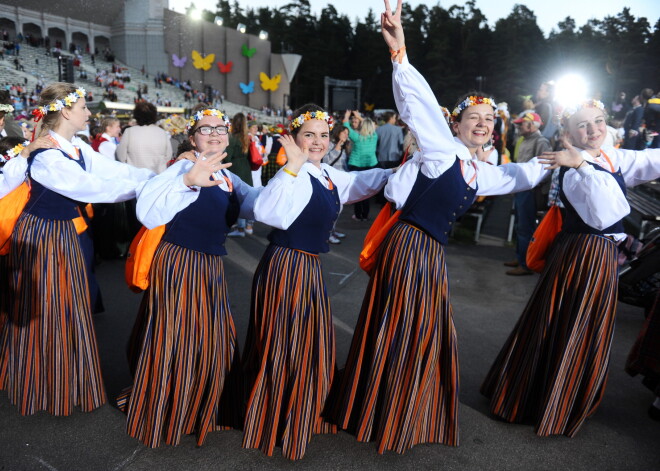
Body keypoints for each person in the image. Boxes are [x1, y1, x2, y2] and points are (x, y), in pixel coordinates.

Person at [329, 0, 552, 454]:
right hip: (410, 247)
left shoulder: (476, 171)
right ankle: (384, 411)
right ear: (456, 124)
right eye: (475, 119)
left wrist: (561, 158)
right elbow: (419, 102)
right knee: (405, 326)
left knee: (422, 329)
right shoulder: (441, 150)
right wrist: (401, 53)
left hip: (428, 254)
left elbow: (519, 177)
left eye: (490, 121)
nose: (484, 126)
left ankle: (402, 408)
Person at [481, 99, 660, 437]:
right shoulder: (573, 168)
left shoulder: (609, 157)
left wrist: (587, 162)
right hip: (583, 255)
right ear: (567, 132)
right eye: (583, 125)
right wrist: (580, 165)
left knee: (578, 324)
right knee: (568, 323)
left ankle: (562, 394)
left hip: (598, 255)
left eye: (598, 122)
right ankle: (547, 400)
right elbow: (610, 213)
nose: (593, 130)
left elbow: (651, 160)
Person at [241, 104, 393, 460]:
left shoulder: (326, 173)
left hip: (308, 268)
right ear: (294, 138)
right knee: (284, 345)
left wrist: (401, 170)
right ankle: (274, 417)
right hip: (285, 267)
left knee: (307, 344)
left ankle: (297, 409)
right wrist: (292, 165)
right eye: (309, 134)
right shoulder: (291, 172)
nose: (318, 142)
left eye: (323, 135)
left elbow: (358, 183)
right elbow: (266, 213)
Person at [0, 83, 154, 417]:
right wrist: (152, 186)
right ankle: (40, 384)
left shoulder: (76, 146)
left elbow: (113, 171)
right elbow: (93, 187)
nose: (88, 113)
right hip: (42, 236)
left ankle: (63, 381)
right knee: (45, 307)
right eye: (84, 107)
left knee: (66, 304)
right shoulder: (48, 156)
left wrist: (159, 177)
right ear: (67, 111)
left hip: (63, 234)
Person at [117, 107, 259, 447]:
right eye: (205, 129)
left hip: (209, 265)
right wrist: (185, 180)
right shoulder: (182, 166)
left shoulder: (229, 177)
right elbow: (147, 210)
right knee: (175, 337)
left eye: (220, 129)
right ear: (192, 137)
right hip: (179, 262)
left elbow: (261, 204)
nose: (214, 134)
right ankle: (169, 408)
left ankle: (201, 404)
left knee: (212, 336)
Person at [504, 111, 551, 275]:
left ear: (531, 125)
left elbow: (547, 168)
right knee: (520, 225)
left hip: (530, 191)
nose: (518, 127)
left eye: (522, 124)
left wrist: (534, 185)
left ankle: (525, 264)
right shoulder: (525, 140)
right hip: (522, 189)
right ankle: (520, 258)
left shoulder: (541, 141)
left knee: (525, 227)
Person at [344, 110, 378, 221]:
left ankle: (358, 215)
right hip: (370, 165)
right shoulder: (374, 136)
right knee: (367, 191)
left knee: (357, 190)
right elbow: (371, 125)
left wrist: (347, 116)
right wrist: (359, 116)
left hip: (356, 165)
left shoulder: (356, 137)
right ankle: (365, 215)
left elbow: (345, 125)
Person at [323, 124, 352, 243]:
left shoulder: (344, 146)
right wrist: (337, 148)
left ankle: (333, 231)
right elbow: (326, 161)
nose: (346, 135)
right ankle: (327, 234)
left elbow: (343, 165)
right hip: (330, 181)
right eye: (344, 133)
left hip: (340, 181)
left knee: (338, 208)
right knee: (332, 209)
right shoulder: (330, 144)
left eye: (347, 134)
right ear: (338, 133)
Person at [225, 113, 253, 237]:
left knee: (238, 198)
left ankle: (241, 228)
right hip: (246, 168)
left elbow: (227, 158)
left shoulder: (233, 138)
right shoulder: (248, 138)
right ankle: (249, 225)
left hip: (236, 168)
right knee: (248, 197)